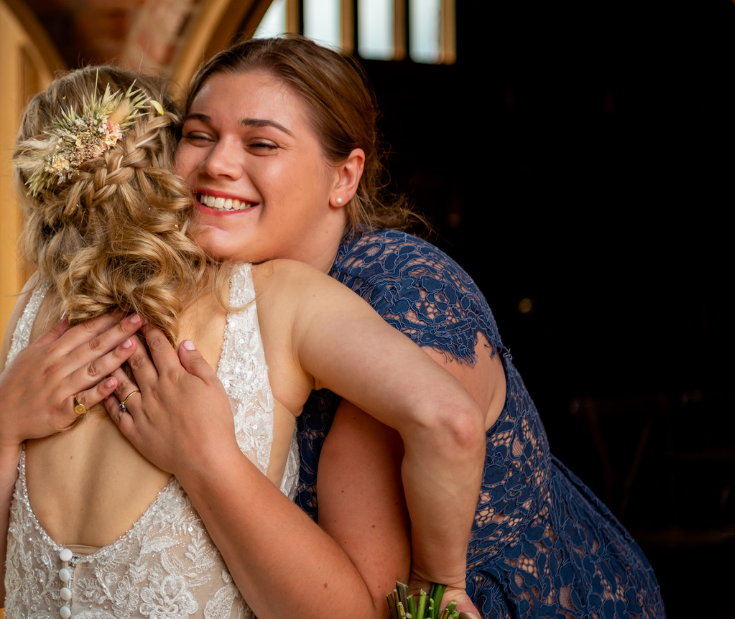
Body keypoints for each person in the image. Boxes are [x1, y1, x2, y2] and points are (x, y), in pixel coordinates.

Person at [104, 36, 665, 617]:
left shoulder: (397, 296)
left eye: (261, 142)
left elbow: (371, 605)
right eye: (198, 135)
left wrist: (202, 456)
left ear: (343, 178)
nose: (217, 163)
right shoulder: (208, 292)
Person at [0, 66, 487, 619]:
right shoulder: (279, 299)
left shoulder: (38, 307)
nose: (218, 163)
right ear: (169, 161)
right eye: (201, 136)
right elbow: (452, 421)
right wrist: (440, 584)